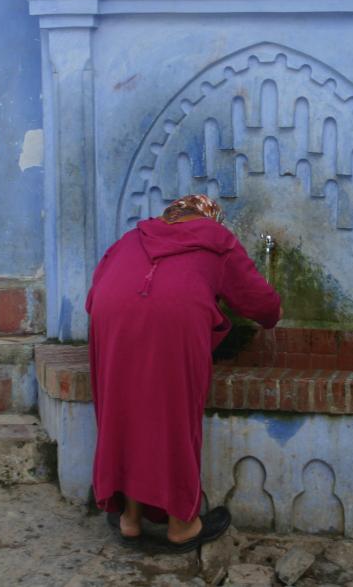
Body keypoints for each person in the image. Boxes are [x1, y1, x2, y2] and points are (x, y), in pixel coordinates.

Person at [85, 194, 282, 553]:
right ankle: (181, 525)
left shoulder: (133, 237)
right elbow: (263, 305)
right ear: (209, 219)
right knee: (173, 416)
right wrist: (271, 315)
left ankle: (129, 519)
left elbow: (96, 289)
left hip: (110, 317)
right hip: (173, 321)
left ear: (172, 216)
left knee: (125, 412)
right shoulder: (217, 241)